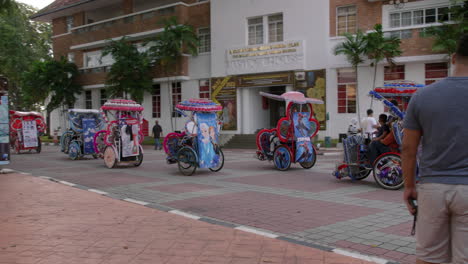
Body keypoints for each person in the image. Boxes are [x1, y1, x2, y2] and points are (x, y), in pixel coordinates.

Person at [402, 34, 468, 264]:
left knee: (429, 258)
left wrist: (409, 186)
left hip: (432, 188)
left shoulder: (422, 96)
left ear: (453, 58)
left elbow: (408, 149)